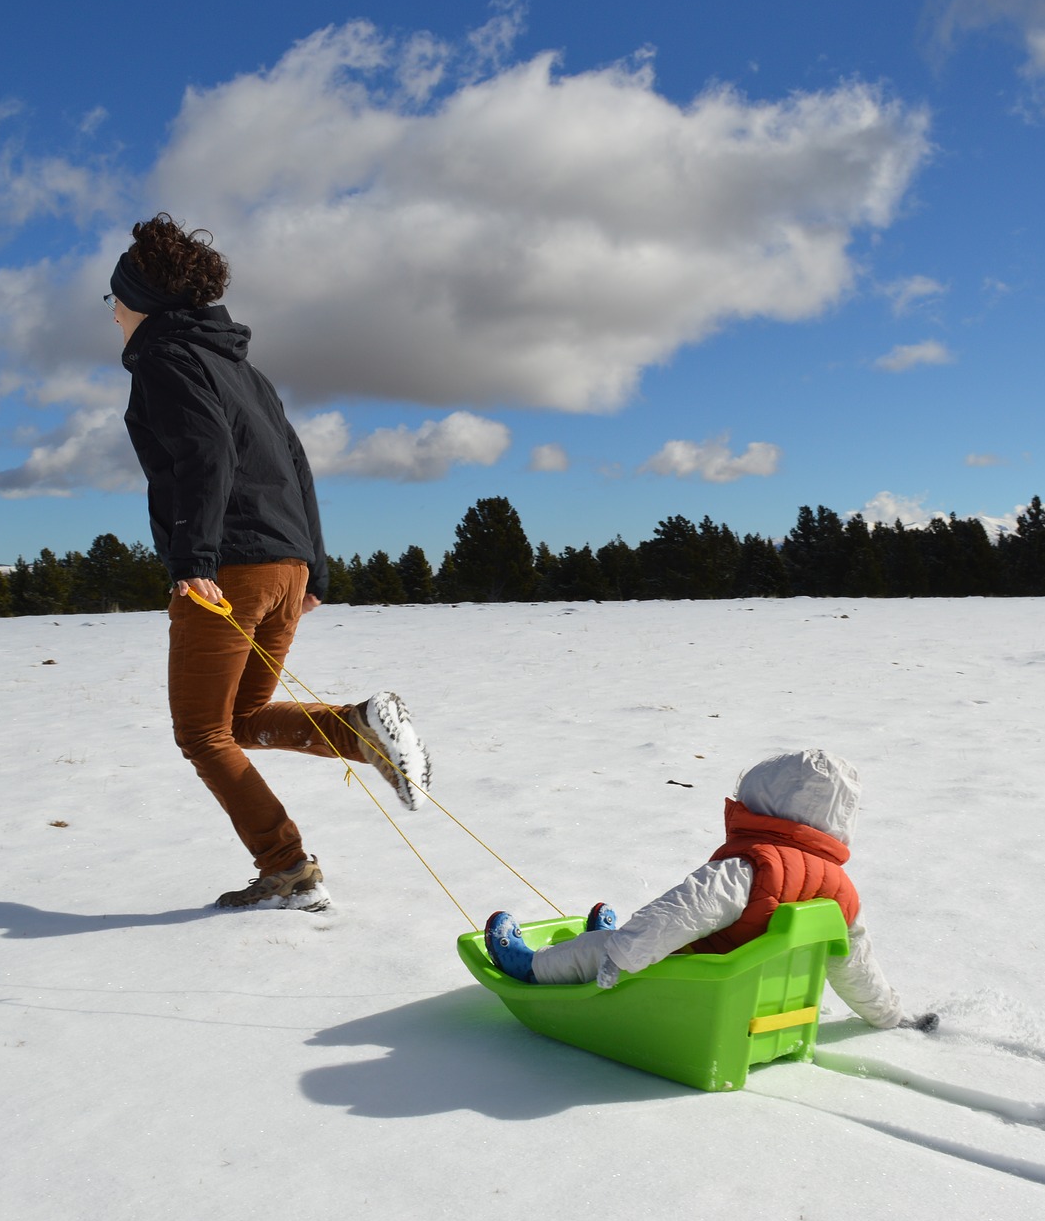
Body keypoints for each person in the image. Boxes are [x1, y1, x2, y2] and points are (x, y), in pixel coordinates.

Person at [111, 213, 431, 912]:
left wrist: (193, 555)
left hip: (228, 569)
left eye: (116, 299)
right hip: (283, 567)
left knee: (201, 733)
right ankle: (358, 727)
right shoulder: (242, 370)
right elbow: (296, 463)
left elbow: (205, 455)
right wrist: (312, 566)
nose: (111, 314)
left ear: (141, 301)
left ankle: (284, 867)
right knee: (244, 719)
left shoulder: (167, 361)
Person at [484, 749, 934, 1031]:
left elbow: (681, 912)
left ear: (762, 805)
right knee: (630, 940)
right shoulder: (842, 892)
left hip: (697, 986)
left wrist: (622, 953)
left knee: (600, 948)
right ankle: (618, 941)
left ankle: (531, 967)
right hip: (758, 1007)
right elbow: (856, 966)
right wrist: (888, 1016)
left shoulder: (753, 865)